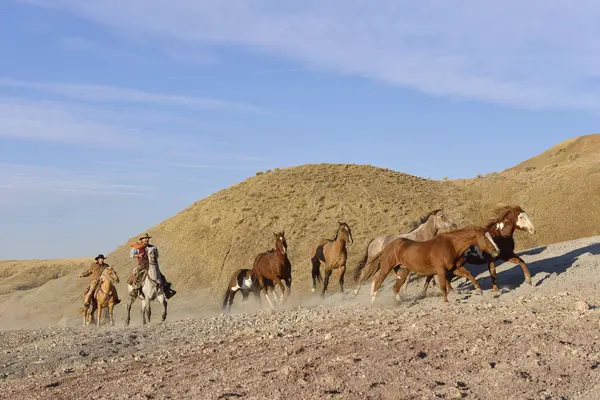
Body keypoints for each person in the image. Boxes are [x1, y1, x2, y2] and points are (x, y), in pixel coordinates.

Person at [128, 233, 176, 299]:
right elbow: (131, 255)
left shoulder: (152, 247)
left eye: (147, 238)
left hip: (152, 265)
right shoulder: (137, 247)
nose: (146, 239)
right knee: (136, 274)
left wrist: (154, 257)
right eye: (145, 238)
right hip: (142, 265)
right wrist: (138, 255)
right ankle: (135, 290)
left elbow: (157, 255)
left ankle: (167, 290)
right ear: (142, 240)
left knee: (161, 276)